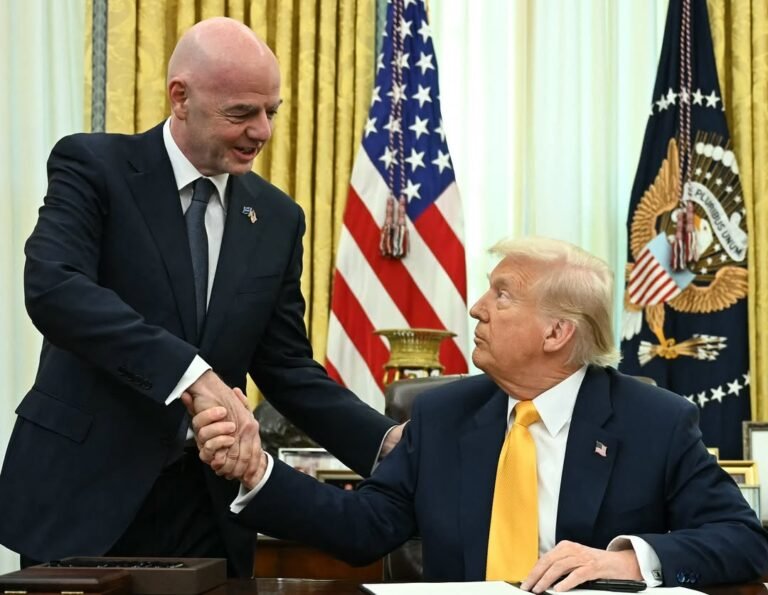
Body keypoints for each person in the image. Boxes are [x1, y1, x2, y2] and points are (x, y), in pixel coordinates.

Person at [0, 17, 400, 578]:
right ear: (180, 97)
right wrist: (191, 374)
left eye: (272, 111)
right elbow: (55, 288)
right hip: (83, 494)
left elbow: (286, 367)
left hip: (207, 507)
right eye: (242, 113)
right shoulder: (94, 167)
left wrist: (385, 441)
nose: (262, 131)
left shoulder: (277, 218)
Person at [193, 236, 768, 590]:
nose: (476, 308)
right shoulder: (444, 415)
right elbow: (363, 527)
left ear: (556, 333)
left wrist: (628, 562)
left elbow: (743, 539)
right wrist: (257, 471)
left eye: (502, 294)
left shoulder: (655, 422)